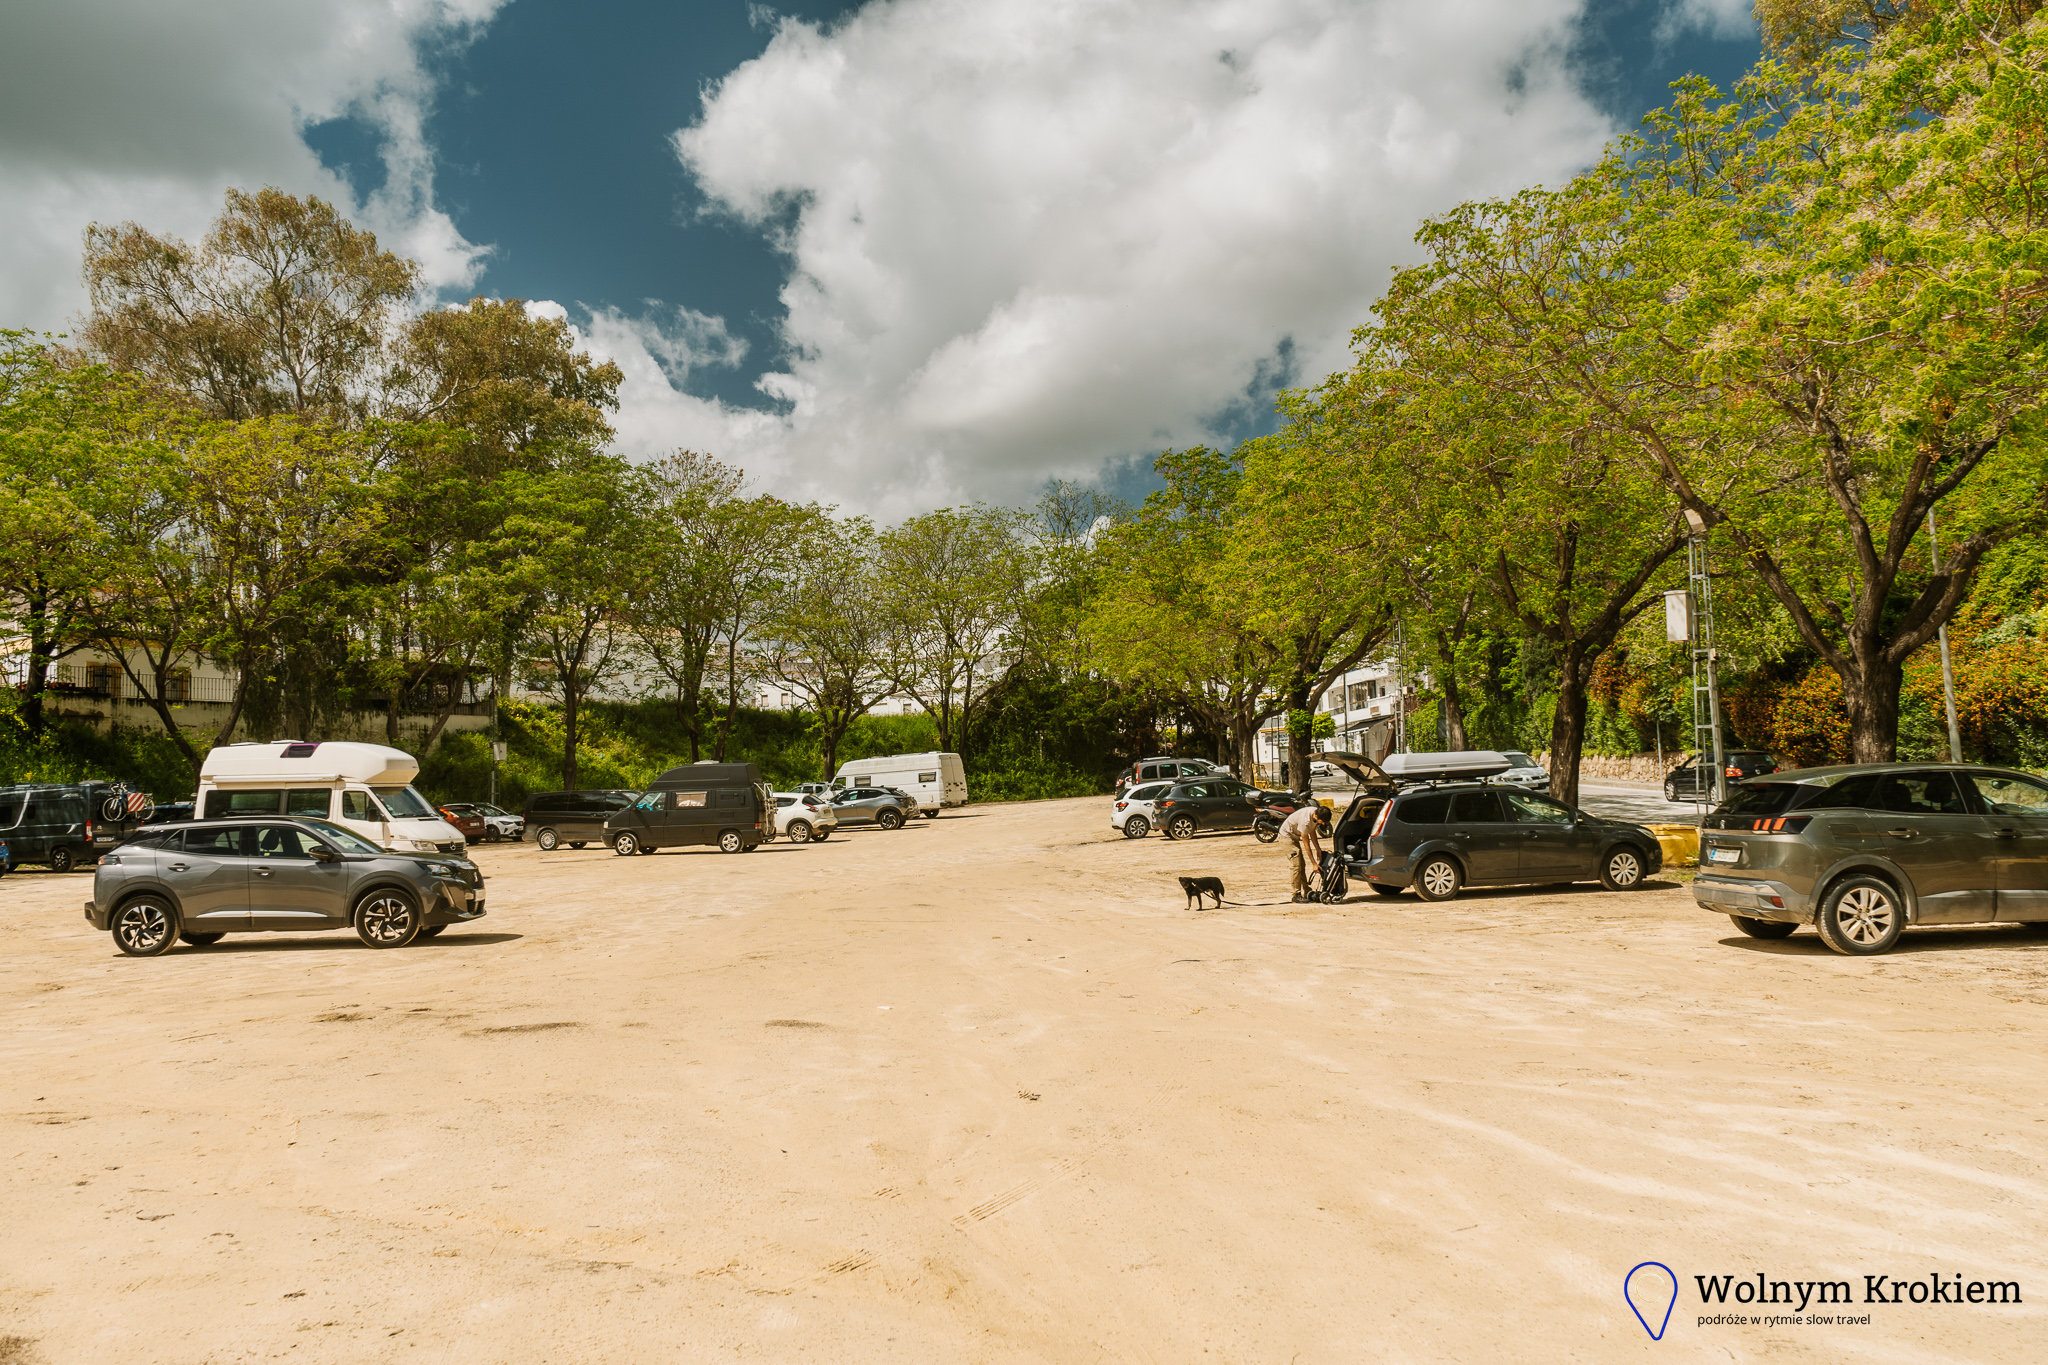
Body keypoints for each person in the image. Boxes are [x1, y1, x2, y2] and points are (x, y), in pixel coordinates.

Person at [1278, 801, 1331, 903]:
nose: (1322, 823)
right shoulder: (1305, 821)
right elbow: (1306, 844)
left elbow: (1312, 833)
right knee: (1296, 865)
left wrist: (1318, 850)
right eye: (1322, 821)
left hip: (1295, 836)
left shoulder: (1314, 815)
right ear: (1316, 815)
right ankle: (1295, 895)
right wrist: (1314, 863)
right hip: (1287, 837)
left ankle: (1307, 891)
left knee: (1302, 864)